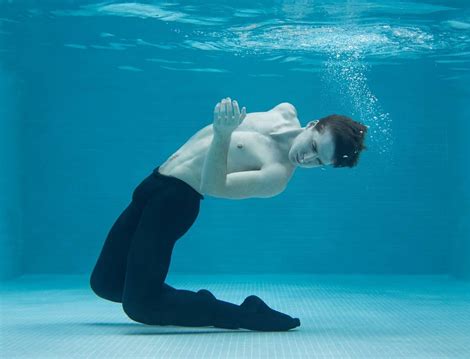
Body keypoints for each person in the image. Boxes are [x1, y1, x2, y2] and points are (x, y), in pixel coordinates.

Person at [90, 97, 368, 331]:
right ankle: (186, 300)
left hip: (174, 203)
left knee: (141, 306)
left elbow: (213, 185)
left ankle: (245, 314)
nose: (306, 159)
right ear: (311, 126)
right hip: (152, 184)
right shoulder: (284, 111)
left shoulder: (276, 176)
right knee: (106, 284)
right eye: (314, 147)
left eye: (318, 161)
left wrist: (223, 134)